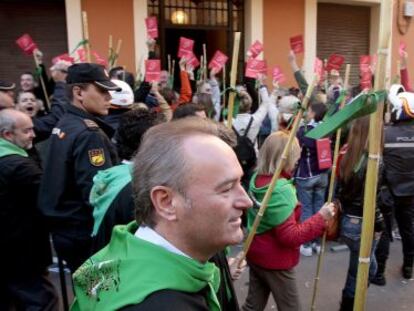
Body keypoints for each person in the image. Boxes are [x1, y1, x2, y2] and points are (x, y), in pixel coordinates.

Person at [71, 117, 253, 310]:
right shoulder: (160, 304)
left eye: (240, 183)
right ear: (166, 202)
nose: (247, 201)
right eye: (226, 189)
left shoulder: (127, 253)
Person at [38, 63, 121, 271]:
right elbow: (97, 195)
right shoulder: (88, 133)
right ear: (78, 92)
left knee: (89, 295)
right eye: (102, 91)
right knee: (100, 296)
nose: (109, 98)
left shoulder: (67, 122)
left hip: (67, 231)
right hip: (83, 235)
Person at [242, 131, 334, 311]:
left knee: (253, 306)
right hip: (275, 259)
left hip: (255, 251)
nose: (297, 163)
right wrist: (320, 218)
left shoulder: (256, 177)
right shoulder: (280, 189)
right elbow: (289, 236)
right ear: (284, 159)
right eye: (295, 159)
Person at [0, 109, 58, 310]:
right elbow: (51, 194)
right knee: (42, 302)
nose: (33, 135)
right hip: (22, 252)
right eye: (27, 131)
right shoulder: (19, 166)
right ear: (8, 134)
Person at [336, 116, 384, 310]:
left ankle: (349, 302)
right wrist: (378, 223)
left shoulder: (347, 154)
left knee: (357, 269)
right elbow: (372, 200)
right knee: (365, 271)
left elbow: (341, 190)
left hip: (348, 220)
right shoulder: (373, 161)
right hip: (362, 221)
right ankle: (349, 305)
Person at [373, 85, 414, 281]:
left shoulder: (384, 133)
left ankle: (379, 272)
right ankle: (408, 267)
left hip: (387, 191)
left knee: (384, 231)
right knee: (408, 229)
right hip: (410, 194)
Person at [296, 102, 330, 256]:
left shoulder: (305, 130)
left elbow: (296, 150)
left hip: (307, 174)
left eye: (309, 111)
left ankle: (307, 243)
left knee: (307, 210)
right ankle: (317, 243)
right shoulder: (328, 128)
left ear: (313, 113)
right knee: (319, 209)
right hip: (323, 174)